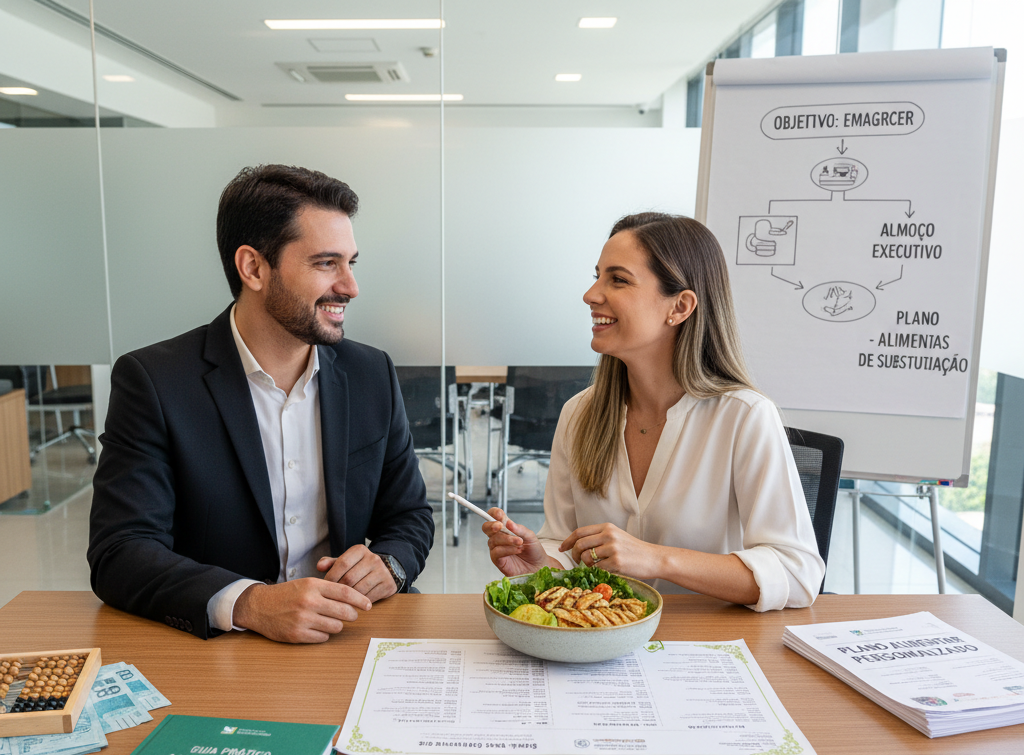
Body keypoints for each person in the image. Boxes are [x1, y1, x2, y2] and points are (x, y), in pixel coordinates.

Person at [88, 164, 434, 642]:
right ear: (253, 267)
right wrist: (248, 602)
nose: (350, 286)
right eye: (325, 263)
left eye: (351, 262)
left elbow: (409, 515)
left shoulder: (371, 373)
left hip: (349, 634)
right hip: (224, 647)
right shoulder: (155, 381)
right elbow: (120, 551)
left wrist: (389, 564)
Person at [484, 212, 824, 612]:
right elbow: (564, 544)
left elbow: (797, 574)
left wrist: (657, 558)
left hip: (706, 649)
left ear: (679, 307)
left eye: (618, 279)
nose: (591, 294)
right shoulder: (579, 414)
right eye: (597, 276)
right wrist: (541, 562)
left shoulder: (745, 416)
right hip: (599, 644)